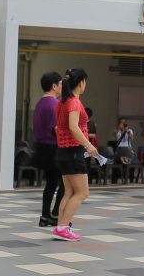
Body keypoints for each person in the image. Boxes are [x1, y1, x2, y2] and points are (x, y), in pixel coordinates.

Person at [53, 68, 99, 241]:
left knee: (69, 192)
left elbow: (59, 127)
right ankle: (63, 227)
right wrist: (88, 145)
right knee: (82, 192)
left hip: (64, 151)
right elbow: (73, 126)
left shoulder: (62, 102)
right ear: (81, 83)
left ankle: (61, 226)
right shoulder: (73, 102)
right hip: (73, 151)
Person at [33, 72, 64, 227]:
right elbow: (56, 129)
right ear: (54, 86)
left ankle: (45, 216)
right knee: (66, 183)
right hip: (54, 147)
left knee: (51, 183)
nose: (62, 87)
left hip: (42, 147)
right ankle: (55, 214)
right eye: (60, 84)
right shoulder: (54, 104)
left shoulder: (40, 103)